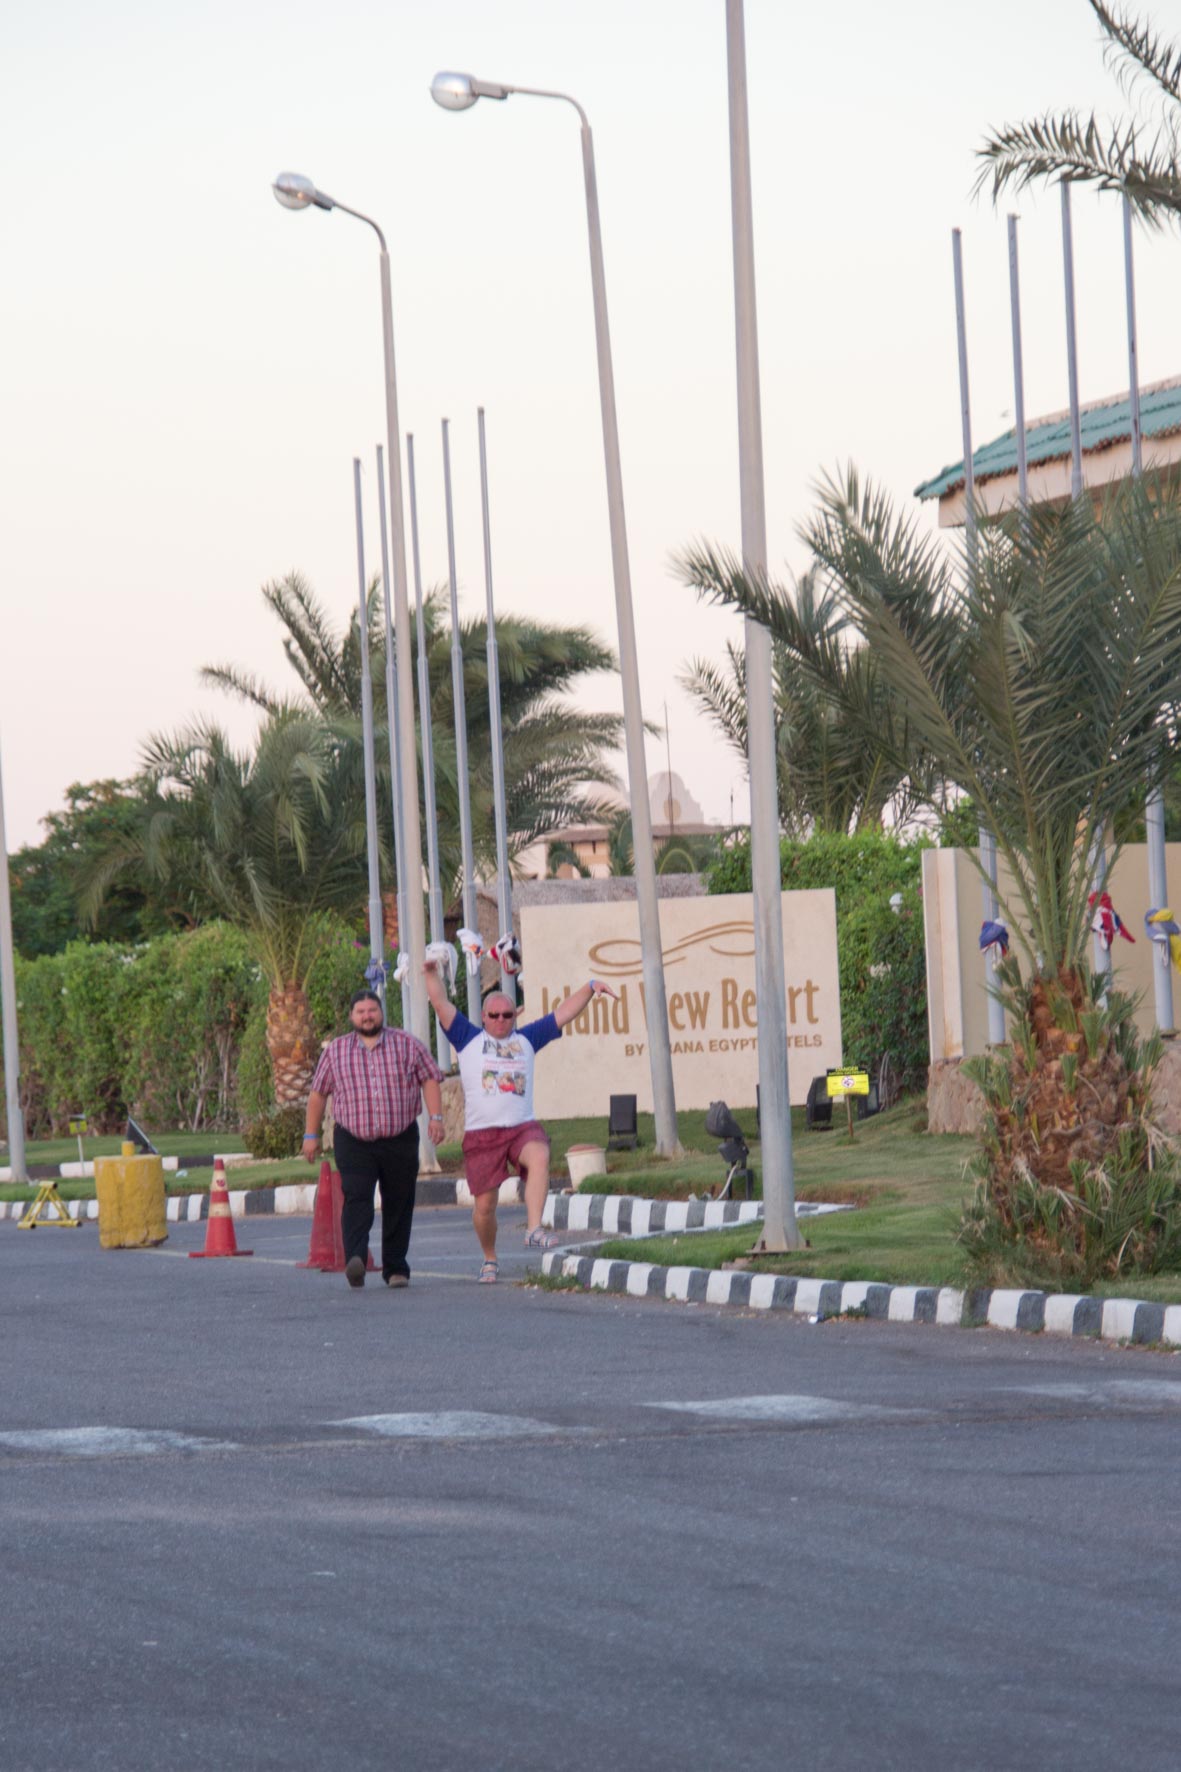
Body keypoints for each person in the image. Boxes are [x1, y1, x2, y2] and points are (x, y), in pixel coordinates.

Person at [423, 961, 617, 1283]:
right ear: (484, 1017)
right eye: (494, 1015)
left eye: (507, 1015)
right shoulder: (467, 1038)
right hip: (482, 1135)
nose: (501, 1020)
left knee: (539, 1154)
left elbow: (563, 1013)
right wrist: (430, 974)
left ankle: (534, 1229)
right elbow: (441, 1004)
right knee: (485, 1207)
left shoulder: (527, 1039)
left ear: (515, 1017)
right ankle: (489, 1257)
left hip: (521, 1127)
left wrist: (590, 986)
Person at [303, 987, 444, 1290]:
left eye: (372, 1010)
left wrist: (436, 1117)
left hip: (400, 1137)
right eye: (361, 1012)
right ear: (352, 1016)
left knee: (399, 1202)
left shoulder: (407, 1044)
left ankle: (395, 1269)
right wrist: (310, 1135)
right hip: (353, 1139)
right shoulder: (336, 1051)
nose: (367, 1016)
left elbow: (430, 1078)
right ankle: (355, 1259)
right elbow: (318, 1094)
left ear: (381, 1013)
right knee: (357, 1197)